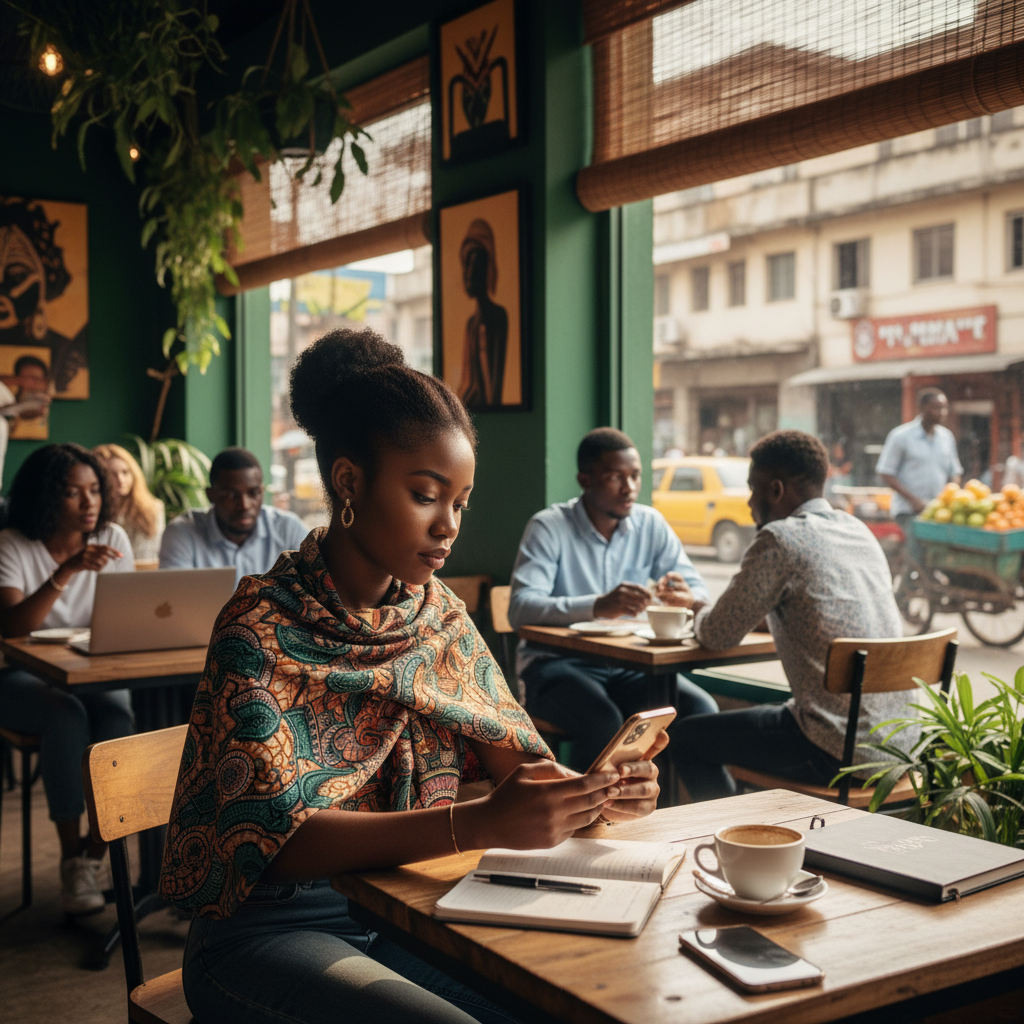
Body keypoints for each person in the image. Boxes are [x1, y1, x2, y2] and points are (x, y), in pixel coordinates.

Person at [159, 327, 664, 1024]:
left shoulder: (437, 617)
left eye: (460, 501)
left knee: (587, 1003)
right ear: (349, 481)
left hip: (417, 909)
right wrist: (478, 821)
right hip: (275, 932)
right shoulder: (259, 625)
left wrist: (594, 793)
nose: (449, 525)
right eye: (427, 495)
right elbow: (274, 840)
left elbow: (517, 769)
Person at [665, 430, 907, 800]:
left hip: (840, 751)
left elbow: (717, 635)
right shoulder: (857, 530)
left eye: (752, 489)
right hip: (902, 748)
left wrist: (693, 606)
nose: (748, 502)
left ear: (775, 491)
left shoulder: (780, 539)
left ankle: (733, 844)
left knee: (682, 739)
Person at [508, 427, 715, 773]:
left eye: (635, 476)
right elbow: (520, 609)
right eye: (615, 477)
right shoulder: (549, 526)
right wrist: (597, 606)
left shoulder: (651, 524)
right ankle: (582, 820)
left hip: (627, 667)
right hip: (554, 666)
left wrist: (685, 597)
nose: (630, 488)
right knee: (603, 721)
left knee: (699, 710)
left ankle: (687, 819)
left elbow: (697, 592)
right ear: (585, 479)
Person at [0, 443, 135, 913]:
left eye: (95, 490)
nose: (89, 502)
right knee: (66, 715)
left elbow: (126, 620)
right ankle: (68, 853)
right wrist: (68, 569)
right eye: (73, 492)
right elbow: (13, 627)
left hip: (90, 672)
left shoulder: (113, 536)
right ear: (45, 496)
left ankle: (91, 859)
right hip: (19, 677)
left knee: (120, 719)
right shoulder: (14, 543)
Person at [158, 446, 307, 584]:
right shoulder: (183, 533)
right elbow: (175, 601)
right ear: (211, 495)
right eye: (231, 495)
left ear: (262, 492)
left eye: (253, 493)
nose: (244, 505)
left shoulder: (288, 529)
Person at [876, 389, 962, 535]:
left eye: (944, 408)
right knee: (915, 555)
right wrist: (914, 501)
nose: (942, 412)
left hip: (938, 514)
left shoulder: (946, 437)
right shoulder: (901, 436)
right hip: (909, 512)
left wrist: (949, 495)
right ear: (921, 409)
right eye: (936, 408)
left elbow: (954, 472)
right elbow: (886, 473)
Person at [458, 219, 508, 410]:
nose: (471, 273)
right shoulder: (471, 323)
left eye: (477, 265)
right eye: (467, 265)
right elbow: (468, 383)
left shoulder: (497, 316)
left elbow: (492, 390)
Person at [93, 443, 166, 562]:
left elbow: (156, 555)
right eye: (112, 474)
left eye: (125, 472)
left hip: (145, 574)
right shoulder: (93, 511)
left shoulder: (154, 508)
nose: (121, 480)